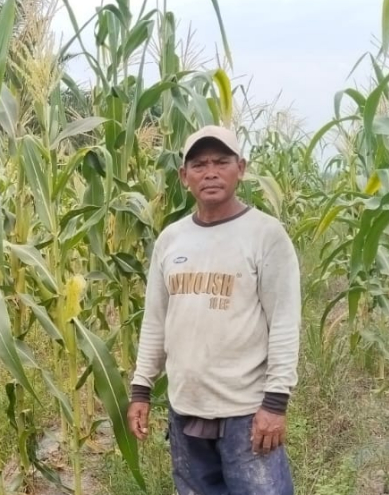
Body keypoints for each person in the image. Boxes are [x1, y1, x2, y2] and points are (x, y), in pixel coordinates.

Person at [127, 125, 301, 495]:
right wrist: (141, 389)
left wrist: (275, 403)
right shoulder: (171, 239)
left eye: (221, 162)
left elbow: (285, 324)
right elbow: (155, 320)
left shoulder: (266, 235)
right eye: (199, 164)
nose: (210, 172)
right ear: (183, 176)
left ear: (241, 167)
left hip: (247, 413)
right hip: (185, 406)